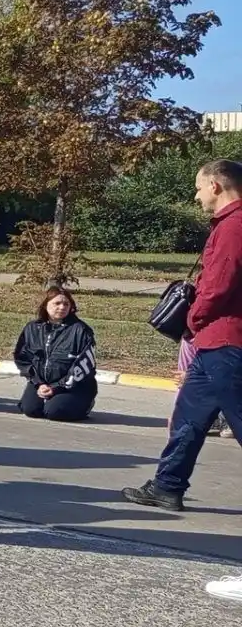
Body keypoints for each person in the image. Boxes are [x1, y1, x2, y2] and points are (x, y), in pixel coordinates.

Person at [125, 159, 242, 521]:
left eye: (198, 186)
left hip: (228, 341)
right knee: (189, 419)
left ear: (216, 186)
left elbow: (219, 284)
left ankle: (168, 484)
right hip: (212, 344)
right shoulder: (229, 224)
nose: (196, 194)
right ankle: (167, 485)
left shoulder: (235, 226)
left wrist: (193, 317)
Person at [12, 290, 97, 421]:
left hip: (73, 386)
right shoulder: (32, 328)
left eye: (66, 304)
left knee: (54, 412)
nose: (62, 307)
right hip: (43, 383)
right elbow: (22, 358)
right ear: (45, 305)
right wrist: (38, 384)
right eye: (57, 303)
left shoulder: (81, 330)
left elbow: (84, 367)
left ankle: (84, 405)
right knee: (30, 410)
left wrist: (57, 388)